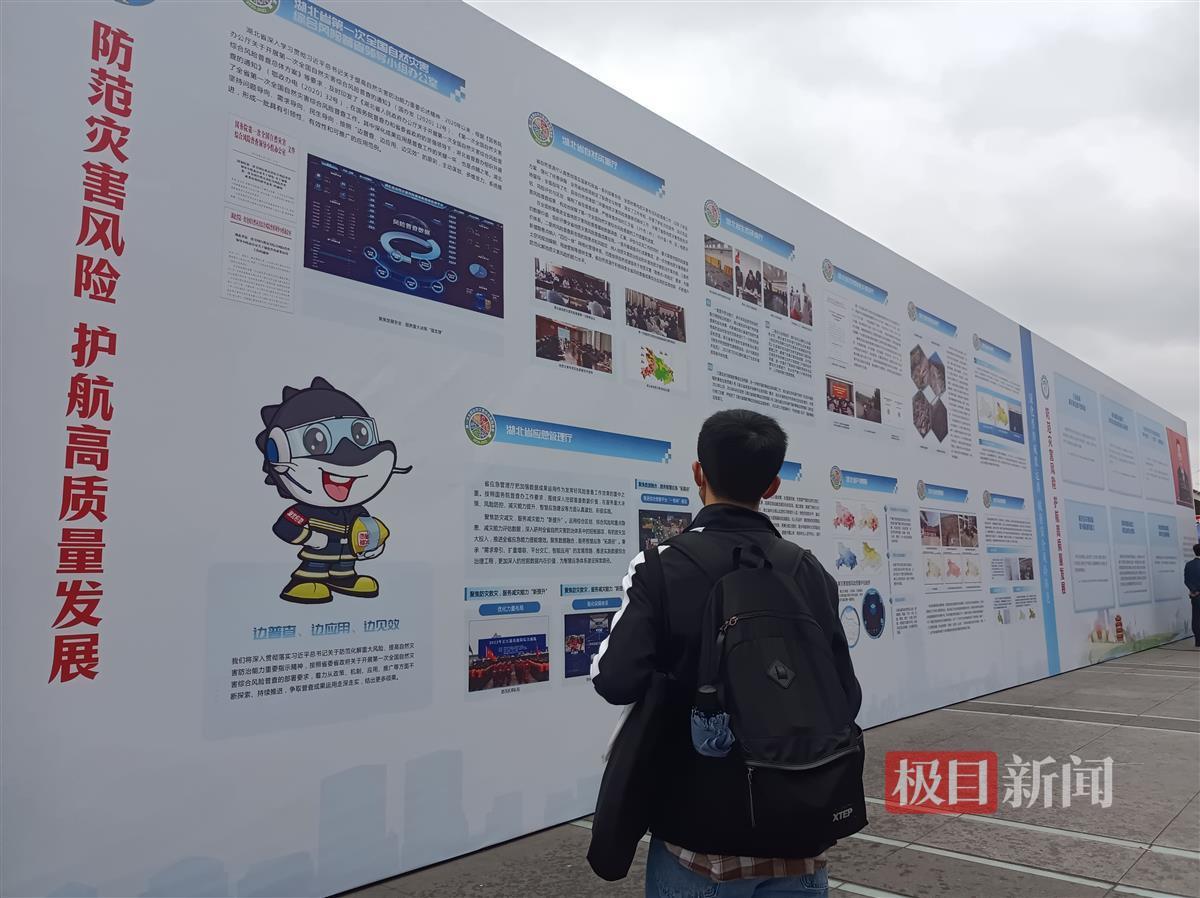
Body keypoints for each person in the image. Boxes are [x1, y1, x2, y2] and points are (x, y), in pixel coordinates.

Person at [592, 409, 860, 898]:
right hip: (799, 834)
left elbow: (614, 680)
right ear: (772, 486)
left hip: (697, 841)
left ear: (698, 472)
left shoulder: (660, 566)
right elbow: (847, 696)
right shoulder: (808, 571)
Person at [1186, 544, 1200, 648]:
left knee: (1196, 618)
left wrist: (1194, 590)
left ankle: (1198, 641)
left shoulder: (1189, 564)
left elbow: (1186, 580)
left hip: (1194, 596)